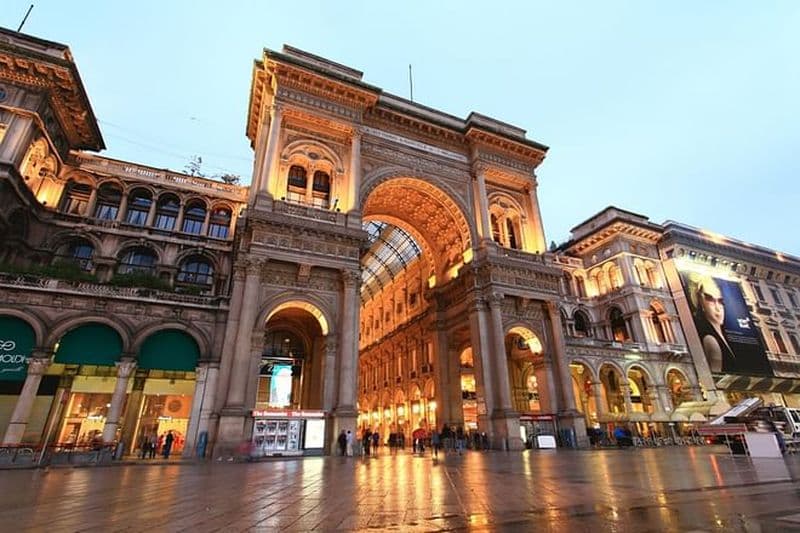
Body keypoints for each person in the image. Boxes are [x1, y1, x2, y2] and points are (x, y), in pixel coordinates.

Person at [690, 275, 735, 373]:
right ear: (700, 302)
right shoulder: (710, 341)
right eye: (710, 300)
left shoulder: (723, 336)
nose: (718, 308)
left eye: (720, 301)